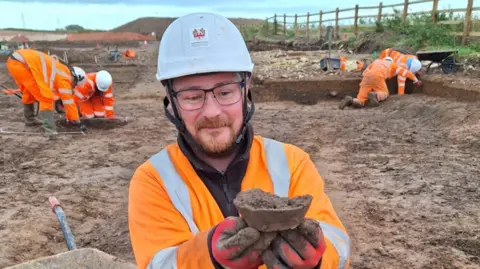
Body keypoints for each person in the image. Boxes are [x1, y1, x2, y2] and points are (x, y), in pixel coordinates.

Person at [128, 12, 350, 269]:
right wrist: (208, 256)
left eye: (225, 92)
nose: (212, 112)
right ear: (171, 100)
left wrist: (319, 259)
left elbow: (338, 245)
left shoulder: (292, 163)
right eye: (192, 97)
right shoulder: (153, 181)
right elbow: (158, 264)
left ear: (246, 89)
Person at [6, 48, 86, 135]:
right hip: (20, 63)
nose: (73, 87)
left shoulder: (61, 70)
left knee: (28, 93)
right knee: (46, 98)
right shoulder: (65, 79)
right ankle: (50, 131)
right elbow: (69, 102)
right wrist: (76, 121)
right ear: (75, 78)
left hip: (15, 62)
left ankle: (30, 120)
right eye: (75, 85)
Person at [338, 57, 423, 109]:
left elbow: (365, 71)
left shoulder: (376, 61)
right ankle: (376, 95)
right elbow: (405, 73)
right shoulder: (393, 65)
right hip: (378, 76)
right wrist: (416, 80)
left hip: (366, 77)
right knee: (384, 92)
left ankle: (351, 100)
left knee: (361, 100)